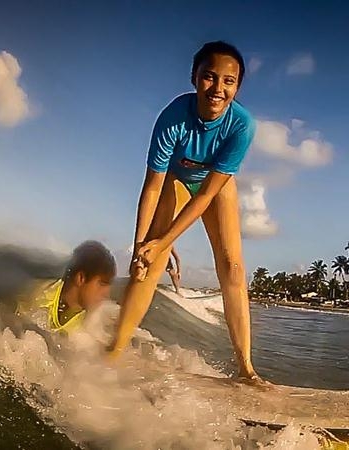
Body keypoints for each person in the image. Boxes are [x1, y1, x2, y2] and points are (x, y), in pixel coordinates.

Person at [106, 41, 261, 382]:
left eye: (228, 81)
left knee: (233, 268)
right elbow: (152, 186)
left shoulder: (242, 126)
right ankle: (115, 349)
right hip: (174, 180)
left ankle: (245, 368)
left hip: (214, 188)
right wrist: (142, 245)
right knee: (148, 263)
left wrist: (164, 240)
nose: (218, 88)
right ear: (194, 78)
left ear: (237, 86)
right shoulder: (172, 118)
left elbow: (206, 196)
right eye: (209, 77)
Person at [15, 241, 116, 334]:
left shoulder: (84, 316)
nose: (106, 294)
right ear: (81, 278)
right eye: (102, 284)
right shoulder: (40, 299)